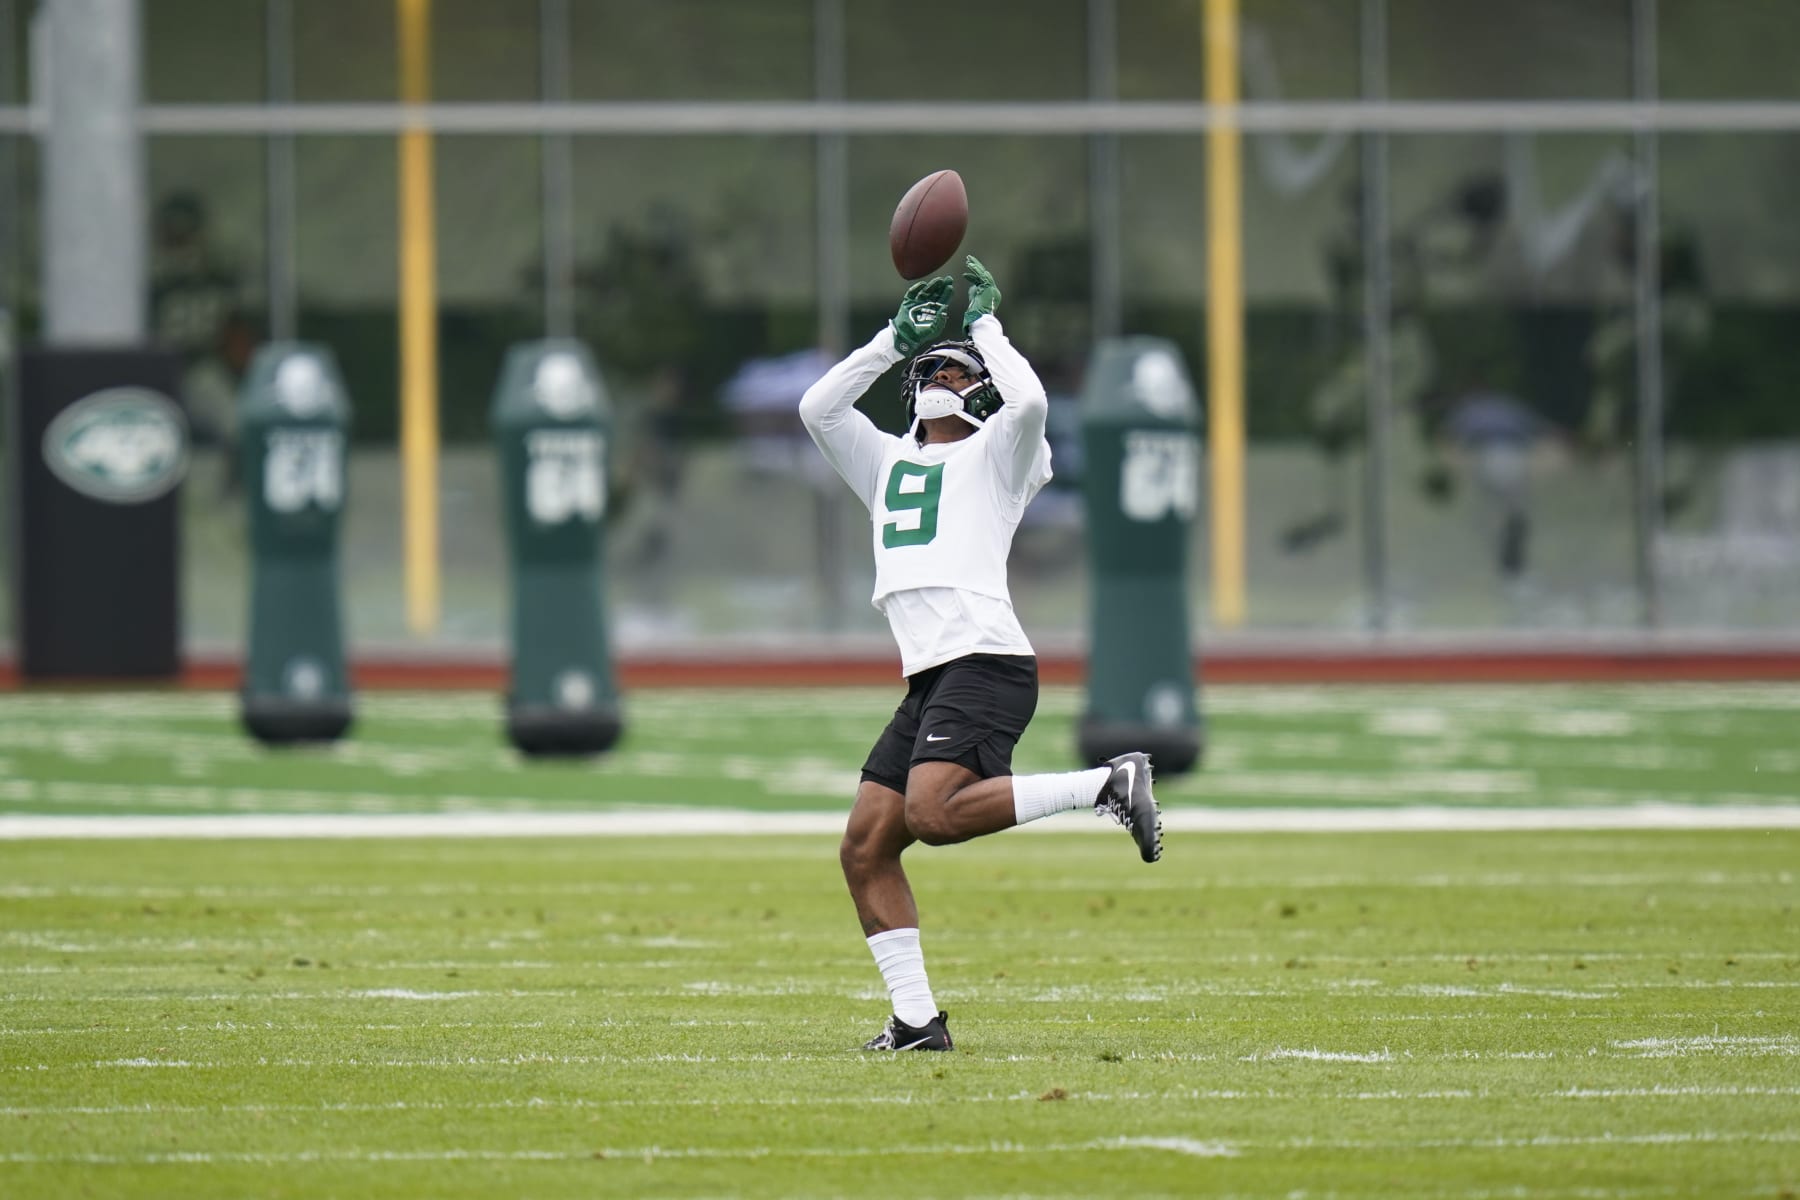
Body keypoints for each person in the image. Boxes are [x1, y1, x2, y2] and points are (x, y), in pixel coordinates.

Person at [798, 255, 1163, 1054]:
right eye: (933, 367)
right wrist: (892, 341)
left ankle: (1107, 782)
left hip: (985, 661)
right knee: (864, 845)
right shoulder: (887, 460)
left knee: (929, 814)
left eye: (959, 371)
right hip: (931, 674)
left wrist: (988, 327)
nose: (943, 374)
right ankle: (917, 1022)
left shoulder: (1001, 452)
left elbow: (1030, 397)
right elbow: (819, 409)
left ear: (982, 390)